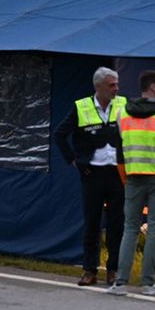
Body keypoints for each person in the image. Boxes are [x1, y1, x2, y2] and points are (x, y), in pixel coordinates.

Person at [107, 69, 155, 298]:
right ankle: (148, 284)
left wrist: (126, 177)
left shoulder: (122, 114)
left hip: (132, 178)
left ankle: (120, 283)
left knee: (129, 229)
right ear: (152, 87)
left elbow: (119, 154)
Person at [54, 67, 127, 287]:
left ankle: (113, 269)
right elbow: (59, 134)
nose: (116, 88)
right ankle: (89, 270)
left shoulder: (123, 104)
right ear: (99, 87)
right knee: (92, 222)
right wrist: (74, 160)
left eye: (116, 84)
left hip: (117, 172)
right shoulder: (82, 107)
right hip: (92, 172)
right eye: (111, 85)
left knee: (117, 223)